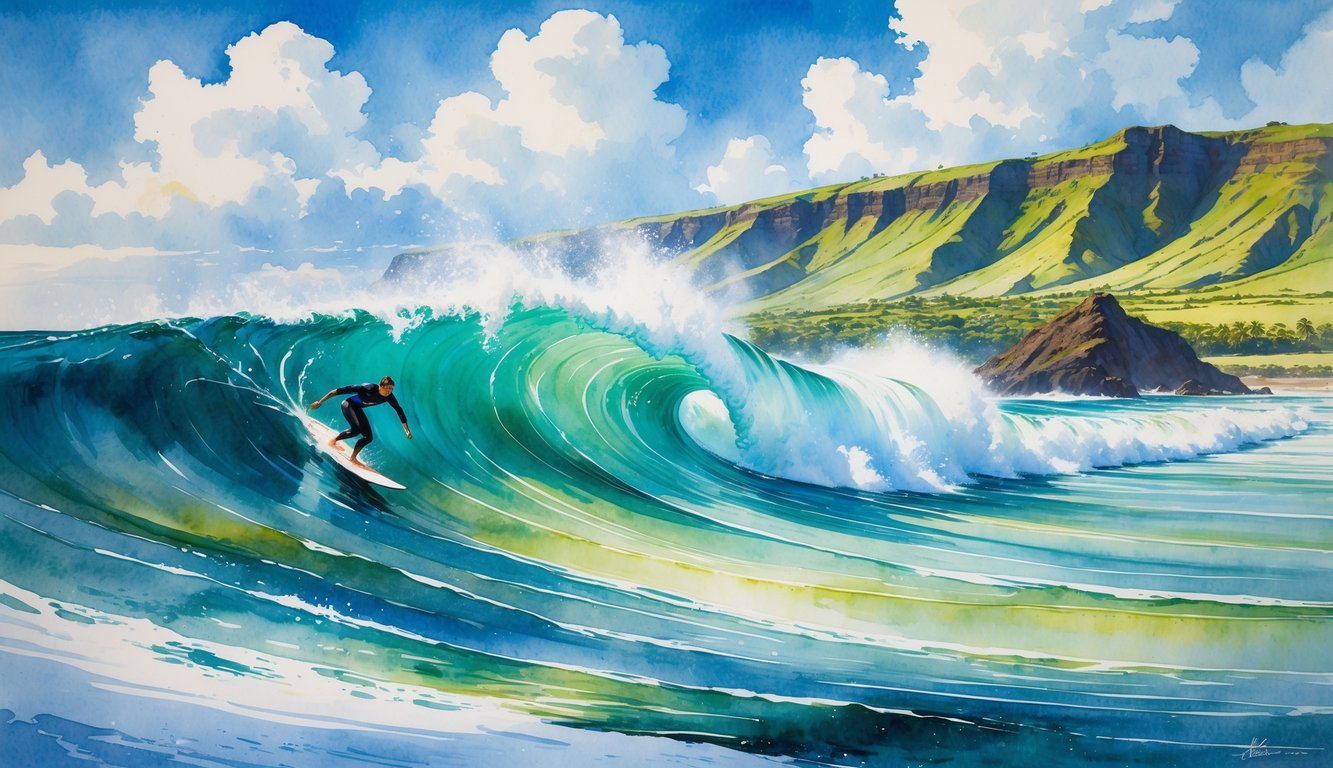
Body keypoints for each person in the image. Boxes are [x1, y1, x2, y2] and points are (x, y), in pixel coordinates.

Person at [309, 376, 412, 467]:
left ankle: (353, 458)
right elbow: (338, 391)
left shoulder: (389, 397)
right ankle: (333, 441)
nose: (389, 391)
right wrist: (320, 402)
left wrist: (406, 430)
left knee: (368, 437)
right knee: (356, 430)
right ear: (381, 386)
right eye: (388, 388)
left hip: (357, 408)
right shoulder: (368, 388)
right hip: (348, 405)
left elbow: (399, 410)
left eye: (392, 389)